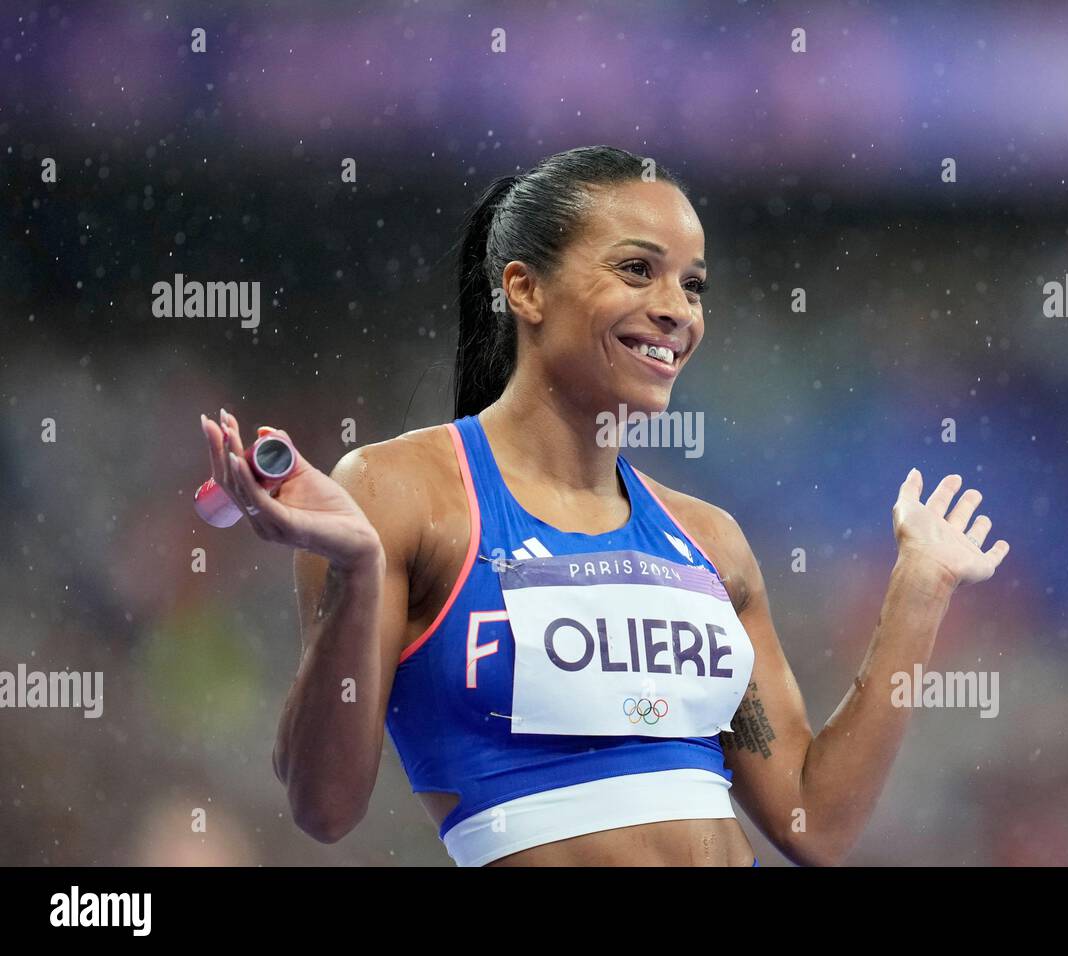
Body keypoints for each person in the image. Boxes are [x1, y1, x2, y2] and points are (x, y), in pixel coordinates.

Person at [197, 145, 1009, 867]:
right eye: (637, 270)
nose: (677, 309)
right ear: (525, 289)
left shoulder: (709, 542)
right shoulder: (398, 492)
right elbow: (324, 808)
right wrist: (358, 568)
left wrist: (920, 590)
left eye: (693, 285)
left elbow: (813, 823)